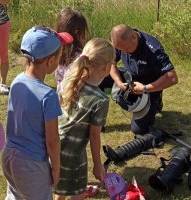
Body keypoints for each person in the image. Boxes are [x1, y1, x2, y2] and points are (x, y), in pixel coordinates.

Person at [1, 26, 73, 199]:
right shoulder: (48, 96)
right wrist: (56, 169)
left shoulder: (17, 81)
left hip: (9, 155)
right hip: (31, 165)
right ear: (50, 62)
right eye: (59, 56)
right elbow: (53, 140)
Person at [54, 38, 115, 200]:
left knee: (60, 185)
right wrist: (97, 164)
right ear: (107, 67)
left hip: (53, 144)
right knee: (79, 192)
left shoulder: (69, 80)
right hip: (72, 153)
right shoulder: (100, 100)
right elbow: (94, 136)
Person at [99, 24, 178, 135]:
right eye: (121, 50)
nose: (124, 52)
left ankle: (156, 100)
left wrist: (145, 89)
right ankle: (97, 121)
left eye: (127, 49)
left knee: (138, 130)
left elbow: (172, 77)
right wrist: (119, 82)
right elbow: (112, 63)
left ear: (134, 37)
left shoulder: (153, 49)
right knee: (99, 79)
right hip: (129, 78)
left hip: (149, 85)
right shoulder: (120, 42)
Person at [55, 8, 88, 93]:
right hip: (72, 99)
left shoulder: (55, 50)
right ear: (77, 32)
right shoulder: (80, 57)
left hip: (61, 97)